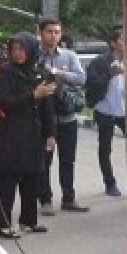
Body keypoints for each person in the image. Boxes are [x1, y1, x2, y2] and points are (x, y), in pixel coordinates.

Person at [0, 32, 57, 238]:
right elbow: (4, 102)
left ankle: (29, 221)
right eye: (14, 49)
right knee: (6, 180)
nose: (18, 54)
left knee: (32, 177)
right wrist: (32, 95)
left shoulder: (38, 72)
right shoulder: (4, 72)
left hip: (32, 133)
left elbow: (47, 107)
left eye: (22, 49)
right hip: (9, 133)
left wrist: (50, 133)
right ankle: (3, 225)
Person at [37, 17, 89, 214]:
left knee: (67, 159)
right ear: (41, 33)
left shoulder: (68, 55)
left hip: (67, 116)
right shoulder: (34, 55)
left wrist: (59, 73)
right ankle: (45, 199)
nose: (53, 36)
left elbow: (82, 78)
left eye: (57, 32)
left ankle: (69, 197)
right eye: (49, 31)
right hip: (44, 118)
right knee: (45, 160)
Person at [85, 25, 127, 197]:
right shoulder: (100, 61)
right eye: (123, 39)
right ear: (113, 43)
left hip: (126, 111)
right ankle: (110, 183)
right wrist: (110, 73)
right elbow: (91, 83)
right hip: (105, 110)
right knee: (105, 148)